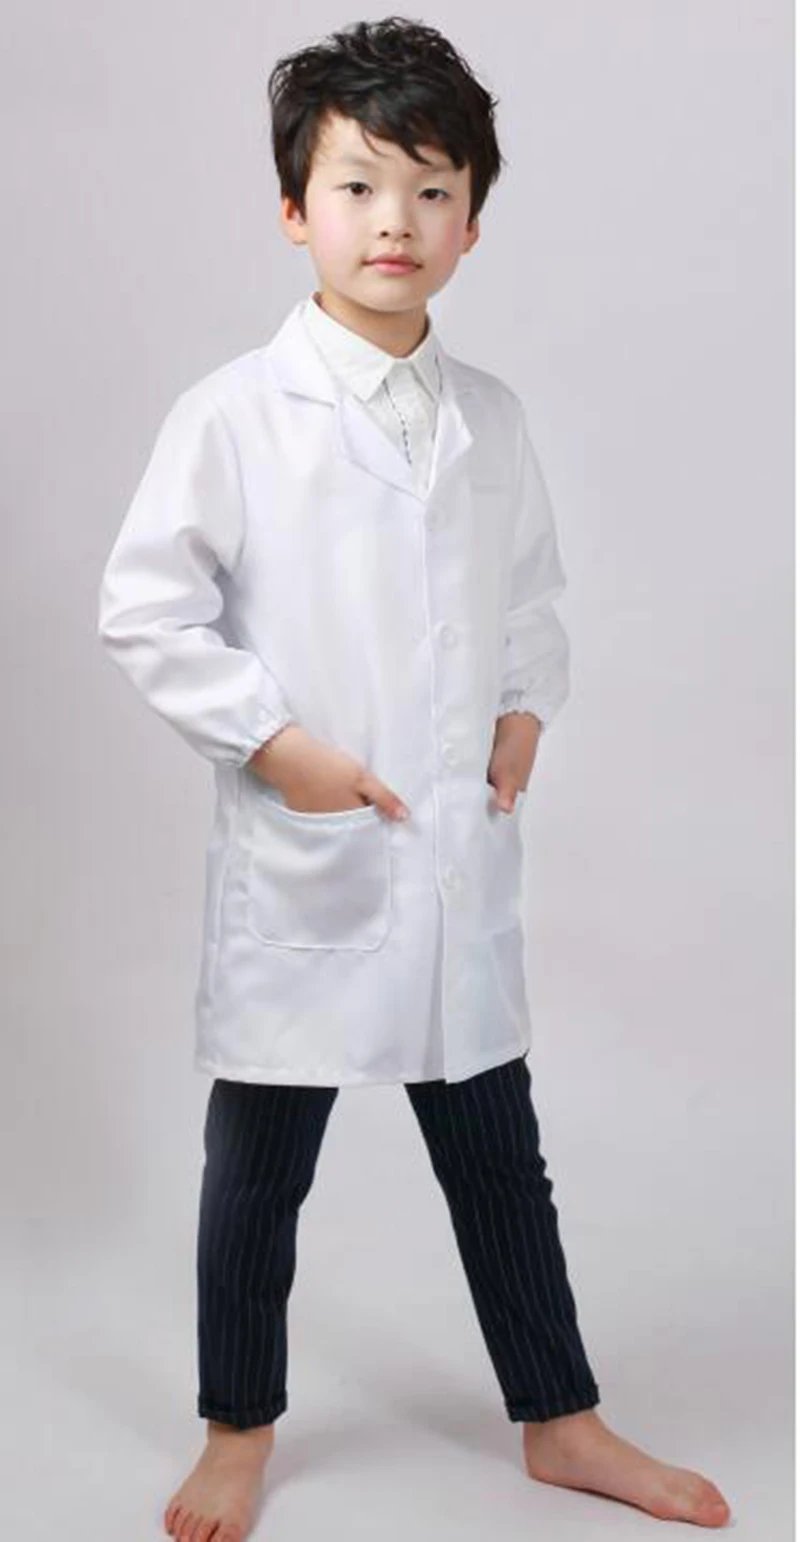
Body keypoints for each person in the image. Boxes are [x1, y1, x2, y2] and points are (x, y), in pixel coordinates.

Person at [97, 16, 732, 1538]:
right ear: (293, 210)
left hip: (453, 857)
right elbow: (147, 608)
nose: (397, 221)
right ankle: (237, 1427)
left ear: (472, 223)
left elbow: (529, 595)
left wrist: (524, 710)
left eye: (433, 190)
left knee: (500, 1158)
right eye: (360, 186)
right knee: (258, 1171)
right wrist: (275, 744)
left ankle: (562, 1419)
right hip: (312, 855)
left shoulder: (490, 417)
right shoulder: (235, 415)